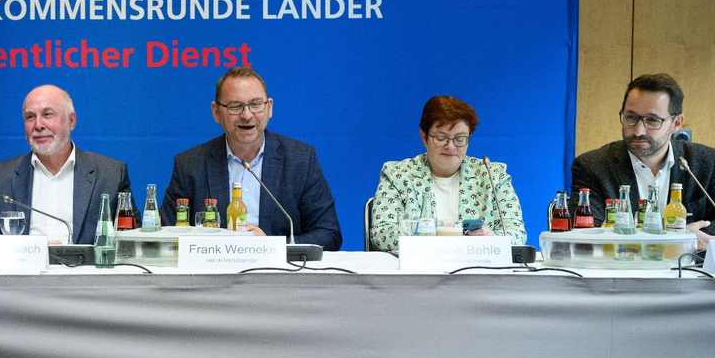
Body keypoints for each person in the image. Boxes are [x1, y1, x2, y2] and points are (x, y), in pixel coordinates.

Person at [160, 67, 341, 249]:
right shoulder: (190, 165)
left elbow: (328, 234)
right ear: (216, 112)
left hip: (280, 274)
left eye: (255, 104)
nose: (247, 115)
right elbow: (166, 238)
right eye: (235, 106)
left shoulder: (301, 160)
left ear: (269, 107)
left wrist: (270, 246)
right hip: (212, 274)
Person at [570, 73, 715, 249]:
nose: (638, 130)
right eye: (631, 117)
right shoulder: (593, 165)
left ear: (676, 123)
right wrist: (679, 236)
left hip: (688, 273)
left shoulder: (704, 162)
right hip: (621, 272)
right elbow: (585, 237)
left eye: (652, 120)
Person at [0, 84, 131, 243]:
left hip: (85, 271)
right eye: (30, 117)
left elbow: (131, 242)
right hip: (21, 271)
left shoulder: (111, 175)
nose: (38, 125)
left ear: (71, 121)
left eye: (47, 114)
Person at [370, 95, 526, 252]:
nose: (450, 146)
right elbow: (382, 234)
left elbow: (516, 233)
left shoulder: (492, 175)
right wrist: (446, 242)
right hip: (418, 271)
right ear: (424, 138)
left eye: (460, 139)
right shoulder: (398, 175)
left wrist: (490, 238)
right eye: (441, 138)